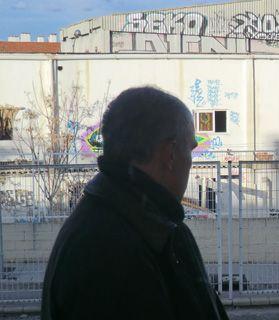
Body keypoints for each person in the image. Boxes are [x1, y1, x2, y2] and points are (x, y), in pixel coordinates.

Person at [42, 86, 228, 320]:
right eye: (189, 150)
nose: (191, 162)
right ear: (170, 154)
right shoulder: (114, 246)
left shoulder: (124, 220)